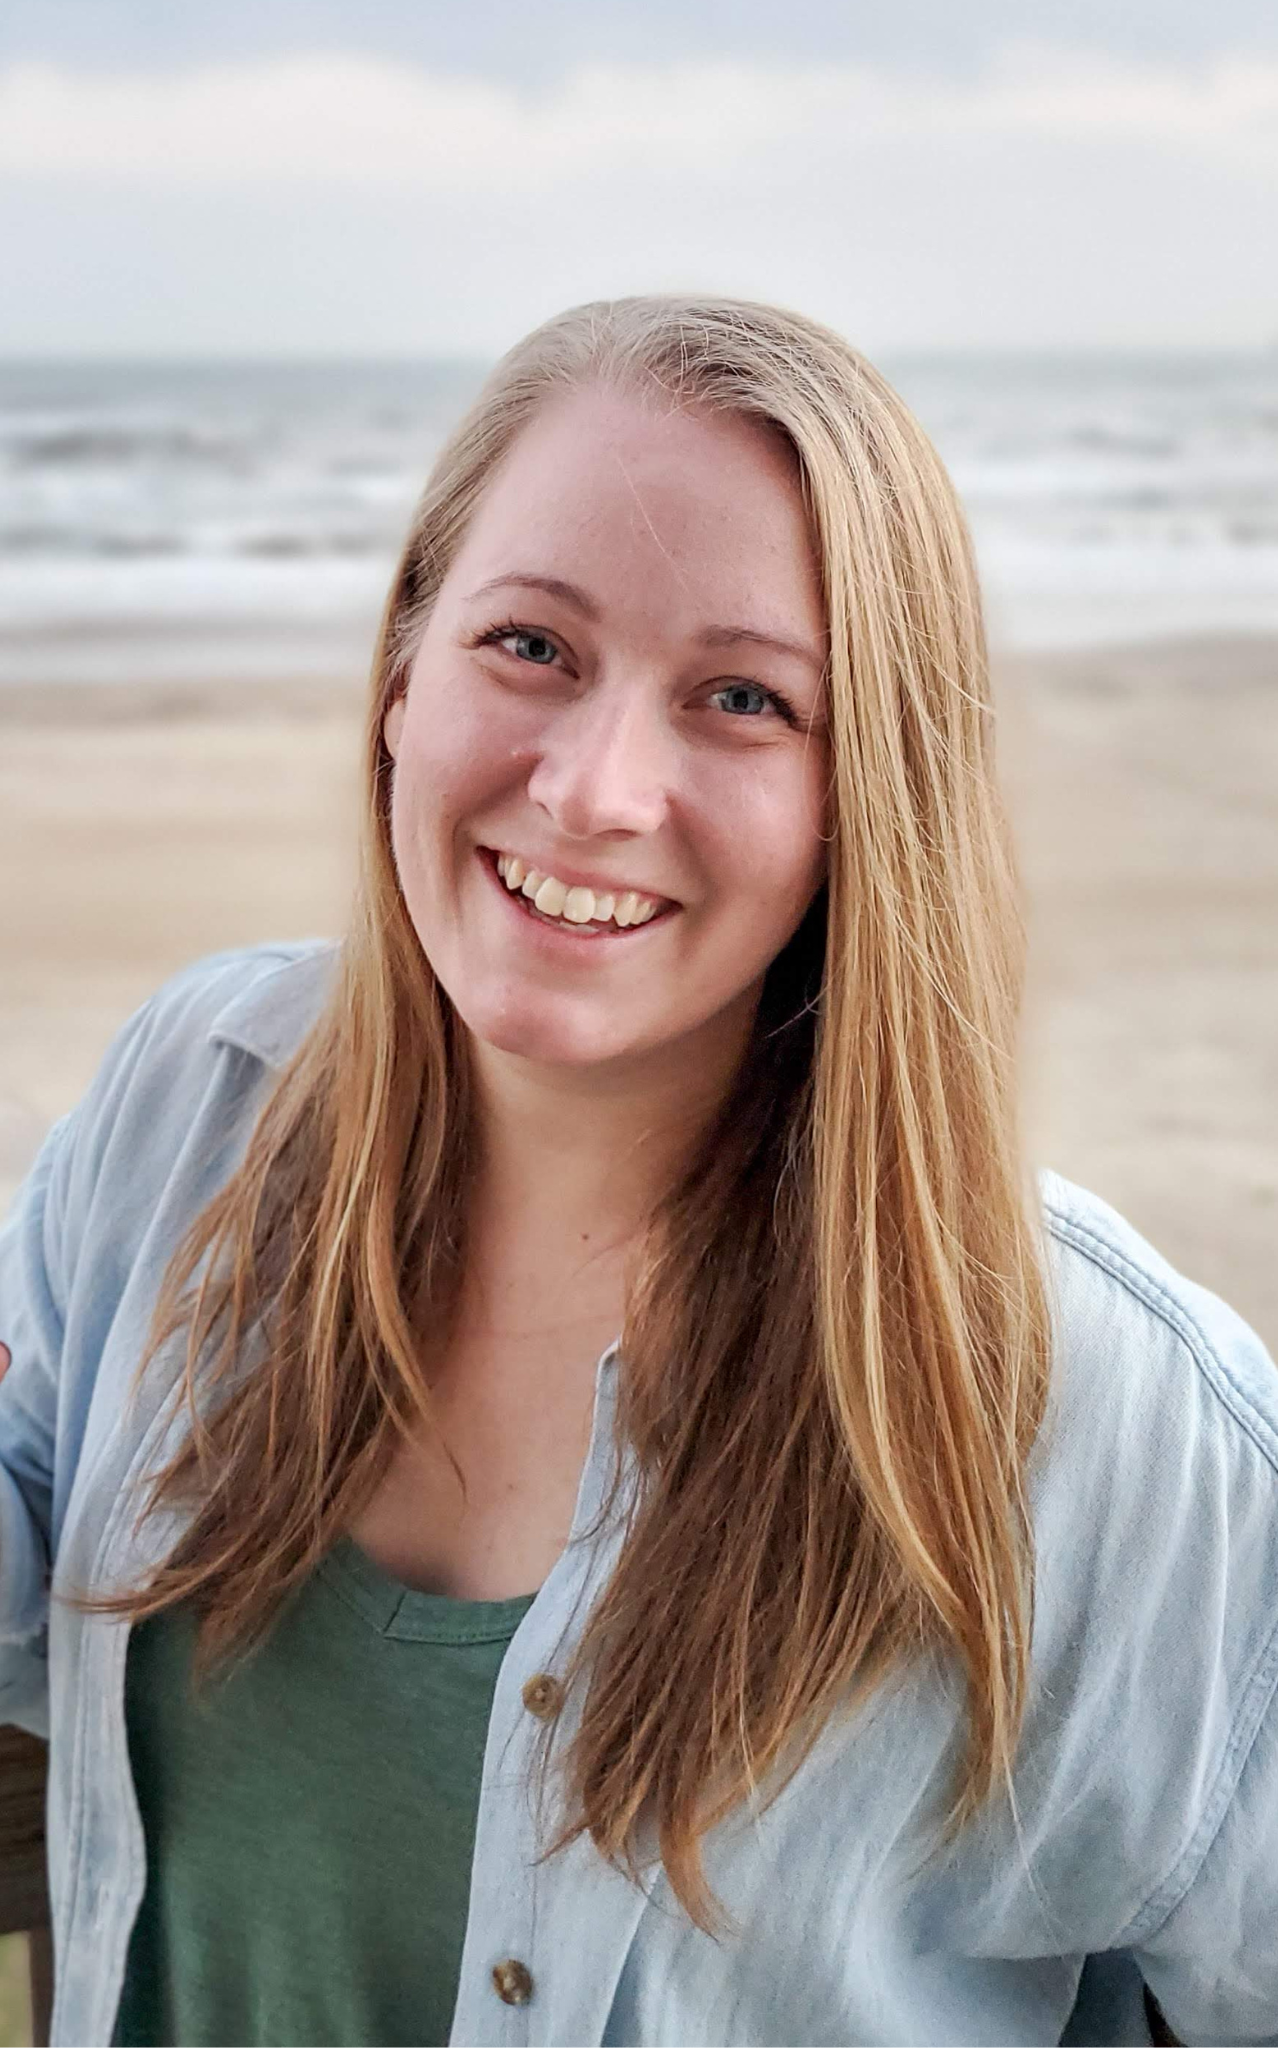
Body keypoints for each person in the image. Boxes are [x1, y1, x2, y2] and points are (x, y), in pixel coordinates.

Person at [1, 295, 1275, 2048]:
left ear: (866, 797)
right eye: (528, 646)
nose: (595, 788)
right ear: (400, 670)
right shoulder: (190, 1107)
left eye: (743, 699)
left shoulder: (1109, 1409)